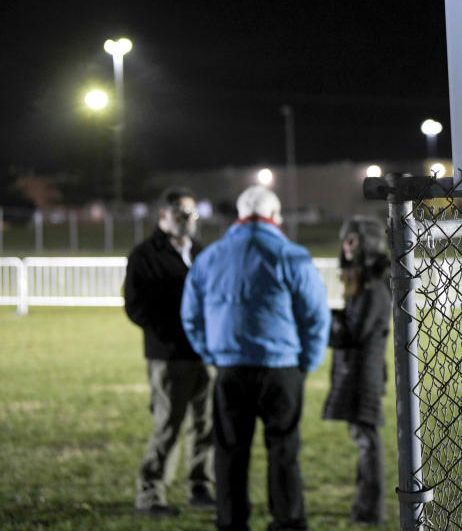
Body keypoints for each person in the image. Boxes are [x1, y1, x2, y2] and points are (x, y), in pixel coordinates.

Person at [181, 185, 330, 531]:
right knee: (283, 451)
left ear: (239, 216)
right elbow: (315, 315)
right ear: (274, 216)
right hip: (281, 367)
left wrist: (212, 353)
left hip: (231, 367)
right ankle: (287, 520)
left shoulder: (210, 257)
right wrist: (307, 360)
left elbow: (190, 314)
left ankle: (231, 521)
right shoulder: (291, 255)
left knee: (230, 452)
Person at [124, 186, 216, 517]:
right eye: (181, 213)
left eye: (192, 213)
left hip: (202, 353)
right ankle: (150, 495)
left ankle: (200, 486)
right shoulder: (145, 255)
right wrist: (168, 333)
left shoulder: (201, 252)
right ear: (163, 216)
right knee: (168, 426)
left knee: (206, 425)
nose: (188, 220)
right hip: (168, 355)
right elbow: (135, 306)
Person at [322, 216, 391, 525]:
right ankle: (364, 506)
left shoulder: (374, 287)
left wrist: (322, 320)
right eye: (345, 240)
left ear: (370, 244)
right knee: (362, 437)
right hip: (359, 371)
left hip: (365, 373)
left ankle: (370, 510)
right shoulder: (363, 282)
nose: (346, 246)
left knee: (367, 439)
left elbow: (353, 333)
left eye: (353, 240)